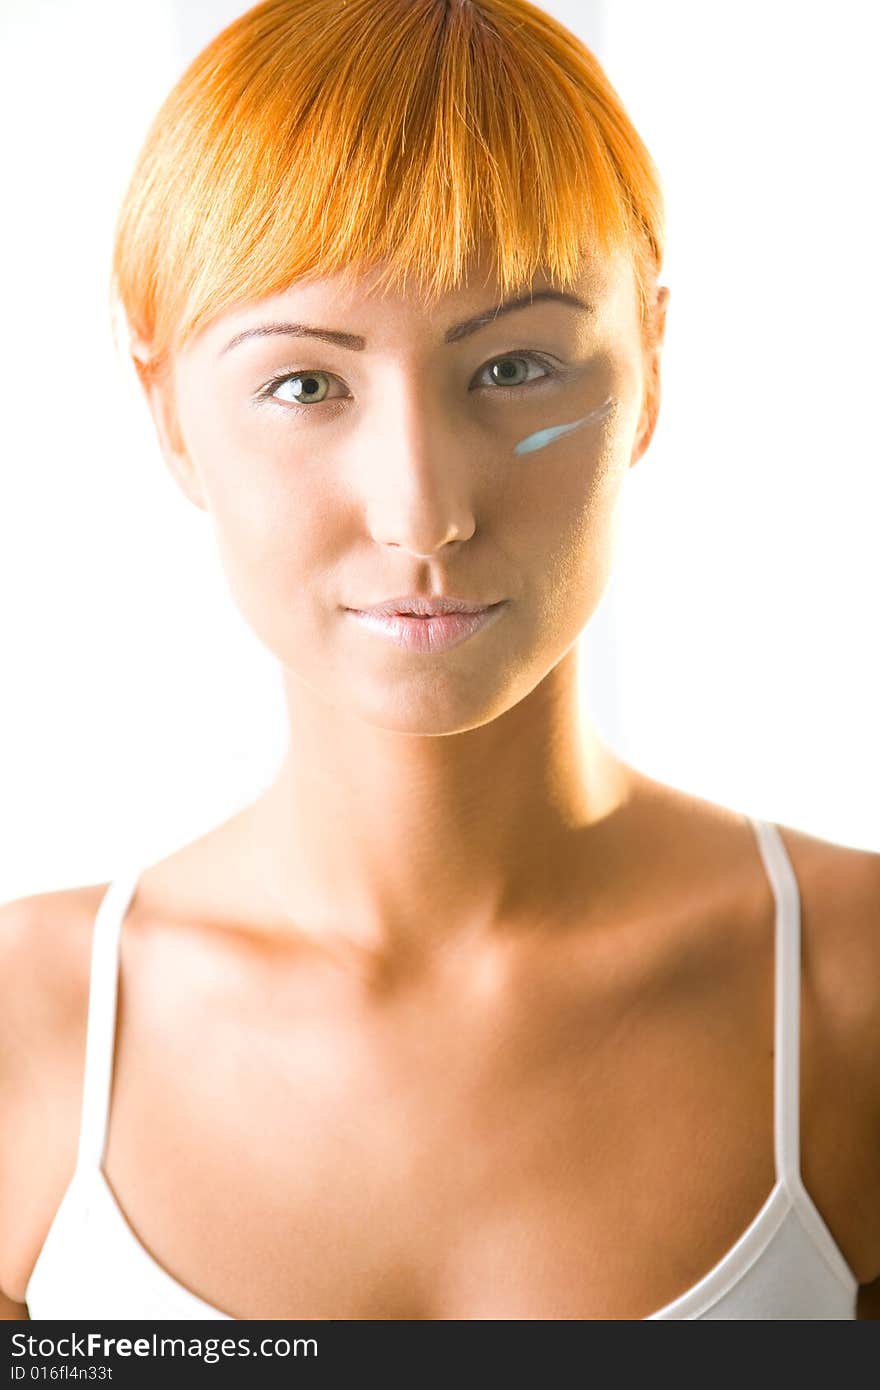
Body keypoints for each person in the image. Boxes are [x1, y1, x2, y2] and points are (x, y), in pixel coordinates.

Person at [1, 0, 878, 1322]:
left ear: (650, 368)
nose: (425, 511)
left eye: (515, 366)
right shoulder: (30, 1029)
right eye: (307, 385)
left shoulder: (850, 989)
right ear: (166, 410)